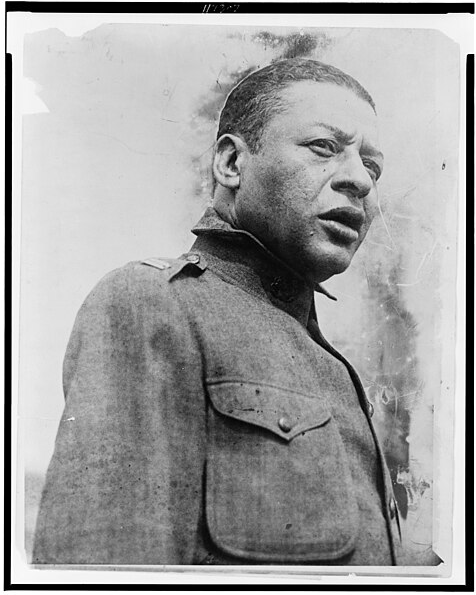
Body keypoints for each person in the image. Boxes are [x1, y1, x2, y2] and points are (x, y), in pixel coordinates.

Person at [33, 58, 408, 566]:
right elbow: (103, 566)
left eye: (373, 166)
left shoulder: (335, 369)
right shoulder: (156, 303)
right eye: (324, 147)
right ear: (231, 163)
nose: (361, 181)